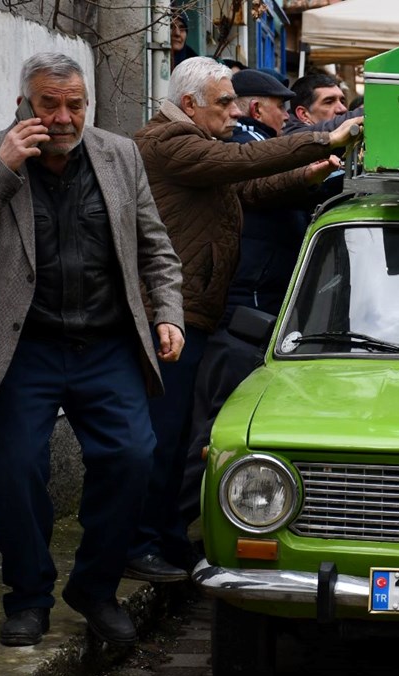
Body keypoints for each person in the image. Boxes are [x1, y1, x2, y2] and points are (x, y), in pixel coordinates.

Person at [0, 52, 185, 647]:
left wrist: (168, 314)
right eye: (50, 104)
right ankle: (28, 597)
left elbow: (156, 247)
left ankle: (94, 588)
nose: (64, 117)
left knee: (132, 456)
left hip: (106, 344)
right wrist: (3, 169)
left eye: (76, 104)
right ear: (25, 105)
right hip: (25, 348)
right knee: (14, 470)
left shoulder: (120, 155)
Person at [129, 57, 359, 580]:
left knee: (180, 434)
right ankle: (137, 542)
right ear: (190, 105)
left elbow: (252, 189)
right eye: (225, 103)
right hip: (169, 313)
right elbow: (244, 167)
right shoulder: (167, 143)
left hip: (193, 312)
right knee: (160, 438)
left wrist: (314, 172)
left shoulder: (201, 146)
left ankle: (164, 535)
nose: (236, 112)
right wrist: (324, 141)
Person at [176, 68, 346, 528]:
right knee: (219, 429)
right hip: (243, 313)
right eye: (282, 108)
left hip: (258, 311)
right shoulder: (238, 147)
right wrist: (343, 132)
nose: (288, 116)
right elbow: (267, 169)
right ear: (258, 109)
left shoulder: (244, 148)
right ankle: (177, 526)